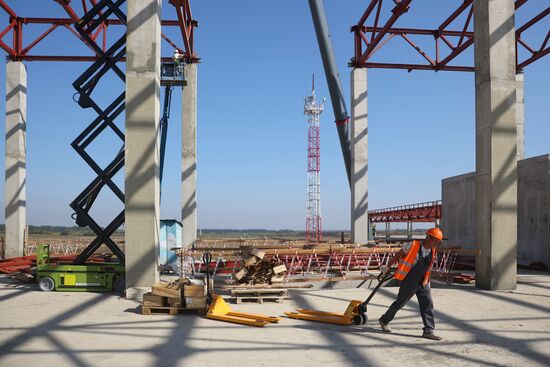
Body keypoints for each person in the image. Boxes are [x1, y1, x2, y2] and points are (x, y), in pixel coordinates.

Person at [378, 227, 444, 340]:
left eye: (438, 241)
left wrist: (427, 281)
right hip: (409, 280)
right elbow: (397, 255)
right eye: (435, 240)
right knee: (400, 303)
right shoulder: (412, 245)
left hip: (423, 282)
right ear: (428, 237)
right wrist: (387, 267)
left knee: (427, 304)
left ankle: (428, 330)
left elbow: (427, 267)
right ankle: (384, 320)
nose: (436, 243)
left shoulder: (432, 250)